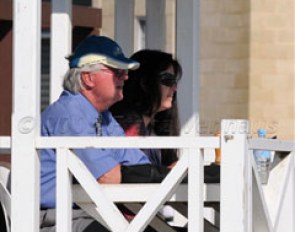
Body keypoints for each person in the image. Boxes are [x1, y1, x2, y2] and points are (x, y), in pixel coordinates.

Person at [40, 36, 172, 232]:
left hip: (87, 212)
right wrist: (169, 173)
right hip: (56, 217)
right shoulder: (70, 114)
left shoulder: (103, 116)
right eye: (117, 71)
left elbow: (139, 167)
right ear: (88, 77)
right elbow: (107, 176)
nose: (126, 77)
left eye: (125, 72)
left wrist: (166, 173)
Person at [110, 49, 182, 167]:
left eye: (174, 81)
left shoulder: (153, 128)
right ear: (144, 82)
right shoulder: (126, 121)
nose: (174, 88)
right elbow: (134, 172)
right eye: (168, 80)